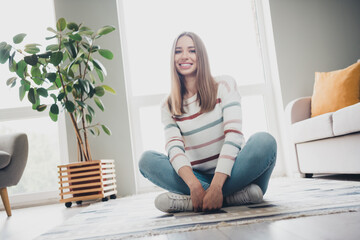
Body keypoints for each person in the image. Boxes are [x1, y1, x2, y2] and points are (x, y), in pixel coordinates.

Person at [139, 32, 277, 213]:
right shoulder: (168, 105)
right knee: (146, 161)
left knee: (265, 142)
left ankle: (197, 201)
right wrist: (194, 186)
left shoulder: (225, 85)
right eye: (178, 51)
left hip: (235, 171)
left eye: (192, 51)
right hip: (198, 177)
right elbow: (174, 149)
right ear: (173, 59)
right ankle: (234, 197)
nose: (184, 56)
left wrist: (217, 186)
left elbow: (233, 136)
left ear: (201, 56)